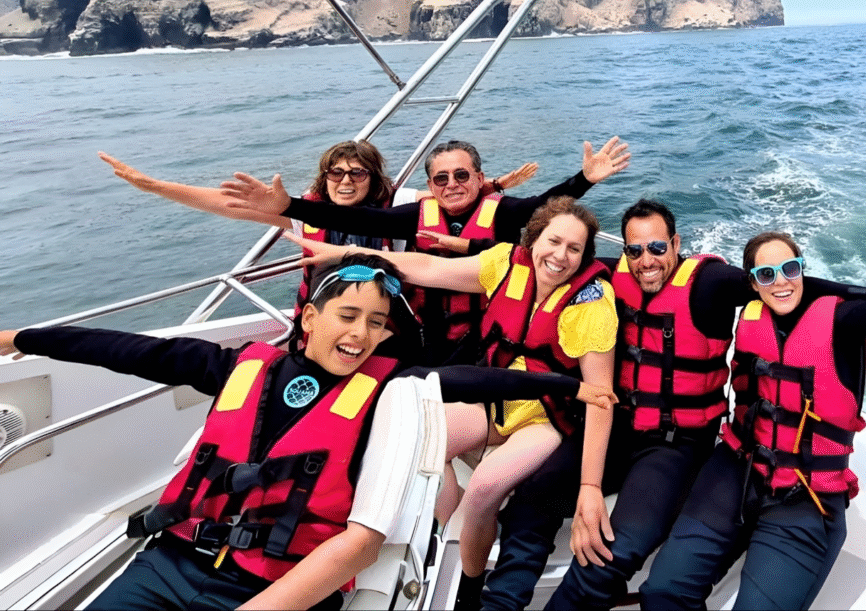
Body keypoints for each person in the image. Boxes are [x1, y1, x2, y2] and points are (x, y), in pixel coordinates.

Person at [0, 253, 615, 611]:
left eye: (376, 324)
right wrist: (20, 339)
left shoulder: (387, 390)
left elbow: (472, 379)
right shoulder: (236, 367)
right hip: (168, 564)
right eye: (348, 316)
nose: (361, 334)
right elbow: (124, 349)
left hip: (277, 584)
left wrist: (570, 388)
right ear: (310, 317)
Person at [479, 200, 866, 611]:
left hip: (676, 442)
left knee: (610, 550)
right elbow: (547, 253)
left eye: (658, 247)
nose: (647, 260)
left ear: (676, 243)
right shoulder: (609, 274)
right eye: (636, 249)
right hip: (622, 425)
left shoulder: (711, 285)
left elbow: (782, 284)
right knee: (530, 501)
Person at [284, 196, 619, 610]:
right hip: (495, 404)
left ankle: (470, 587)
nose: (560, 256)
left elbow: (602, 398)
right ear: (533, 240)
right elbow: (427, 267)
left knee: (484, 489)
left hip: (545, 417)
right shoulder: (504, 263)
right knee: (415, 440)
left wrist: (590, 486)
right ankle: (439, 526)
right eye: (554, 241)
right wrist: (346, 254)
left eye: (575, 249)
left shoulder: (591, 302)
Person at [637, 231, 866, 611]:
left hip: (806, 491)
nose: (780, 282)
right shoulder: (750, 314)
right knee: (663, 589)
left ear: (802, 271)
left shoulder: (841, 320)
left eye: (789, 269)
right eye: (766, 274)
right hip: (737, 470)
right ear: (752, 282)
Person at [224, 137, 629, 365]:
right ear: (431, 185)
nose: (452, 183)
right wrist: (288, 207)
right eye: (441, 178)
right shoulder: (416, 215)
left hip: (484, 339)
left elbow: (545, 204)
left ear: (480, 178)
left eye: (462, 175)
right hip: (425, 339)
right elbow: (358, 220)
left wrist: (584, 179)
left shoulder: (503, 213)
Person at [99, 144, 538, 321]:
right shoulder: (306, 214)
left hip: (386, 324)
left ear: (374, 178)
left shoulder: (400, 205)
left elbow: (455, 196)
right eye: (336, 173)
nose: (345, 182)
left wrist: (493, 186)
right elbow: (225, 202)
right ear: (324, 176)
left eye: (357, 173)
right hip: (321, 320)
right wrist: (153, 186)